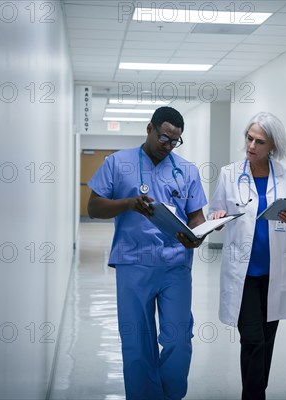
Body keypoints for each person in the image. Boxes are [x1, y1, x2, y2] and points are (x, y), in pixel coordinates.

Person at [87, 106, 207, 400]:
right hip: (133, 262)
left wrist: (198, 235)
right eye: (164, 138)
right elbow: (94, 207)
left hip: (175, 264)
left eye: (175, 141)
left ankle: (170, 395)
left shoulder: (187, 170)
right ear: (149, 129)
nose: (167, 147)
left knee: (179, 338)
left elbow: (196, 217)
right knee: (137, 341)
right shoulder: (117, 162)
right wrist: (128, 203)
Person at [209, 112, 286, 400]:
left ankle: (254, 393)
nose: (251, 145)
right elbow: (213, 210)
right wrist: (217, 216)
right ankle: (254, 396)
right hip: (244, 274)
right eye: (249, 138)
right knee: (252, 338)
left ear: (273, 146)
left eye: (259, 141)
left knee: (265, 339)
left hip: (276, 272)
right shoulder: (230, 174)